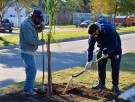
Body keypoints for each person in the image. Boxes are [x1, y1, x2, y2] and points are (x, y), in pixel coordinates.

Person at [85, 22, 122, 93]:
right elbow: (90, 48)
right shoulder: (93, 34)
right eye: (92, 35)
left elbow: (114, 44)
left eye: (95, 34)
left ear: (97, 30)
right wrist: (89, 61)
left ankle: (115, 86)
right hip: (102, 49)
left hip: (115, 49)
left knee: (115, 67)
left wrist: (106, 51)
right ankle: (101, 84)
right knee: (100, 66)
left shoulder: (109, 29)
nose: (94, 36)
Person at [19, 9, 45, 95]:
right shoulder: (26, 24)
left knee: (30, 70)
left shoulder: (32, 22)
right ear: (33, 17)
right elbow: (30, 39)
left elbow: (38, 30)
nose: (39, 21)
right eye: (39, 19)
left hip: (30, 50)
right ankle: (27, 90)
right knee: (32, 70)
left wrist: (42, 25)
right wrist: (42, 42)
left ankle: (29, 87)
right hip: (27, 51)